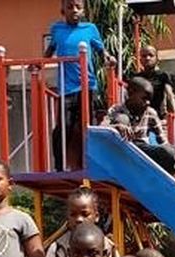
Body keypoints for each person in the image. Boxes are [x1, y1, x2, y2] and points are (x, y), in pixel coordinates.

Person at [46, 0, 106, 167]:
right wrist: (39, 64)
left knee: (88, 126)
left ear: (83, 11)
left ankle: (91, 163)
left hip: (87, 86)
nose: (74, 10)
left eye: (78, 7)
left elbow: (101, 50)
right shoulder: (57, 29)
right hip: (66, 88)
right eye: (70, 7)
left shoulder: (90, 29)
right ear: (63, 10)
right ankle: (59, 166)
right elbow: (50, 49)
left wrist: (109, 58)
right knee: (63, 127)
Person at [103, 77, 175, 174]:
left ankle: (173, 172)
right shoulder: (116, 110)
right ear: (131, 93)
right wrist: (116, 127)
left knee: (169, 151)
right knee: (122, 118)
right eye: (144, 98)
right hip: (122, 149)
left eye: (149, 100)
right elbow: (102, 127)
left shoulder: (150, 113)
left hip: (141, 152)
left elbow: (163, 141)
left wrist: (170, 156)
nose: (147, 103)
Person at [139, 44, 175, 116]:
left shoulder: (163, 76)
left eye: (151, 55)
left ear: (157, 59)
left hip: (158, 116)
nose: (147, 58)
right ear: (140, 60)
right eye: (144, 56)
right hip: (140, 115)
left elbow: (170, 94)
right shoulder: (137, 78)